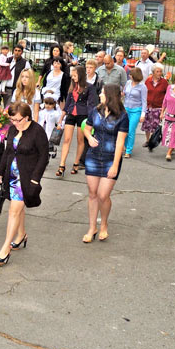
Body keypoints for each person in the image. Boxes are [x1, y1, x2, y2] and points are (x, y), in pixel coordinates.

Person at [0, 102, 49, 264]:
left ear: (27, 117)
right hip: (11, 176)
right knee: (17, 207)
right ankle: (21, 234)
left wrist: (35, 179)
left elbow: (43, 157)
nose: (15, 123)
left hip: (26, 178)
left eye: (18, 120)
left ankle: (5, 249)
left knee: (13, 211)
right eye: (12, 120)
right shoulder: (12, 129)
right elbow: (7, 152)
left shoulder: (37, 131)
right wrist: (0, 172)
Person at [81, 84, 129, 243]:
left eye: (102, 93)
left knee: (103, 195)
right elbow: (86, 128)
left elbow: (120, 143)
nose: (100, 95)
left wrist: (115, 165)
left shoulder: (122, 116)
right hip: (93, 156)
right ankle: (92, 228)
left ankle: (104, 225)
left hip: (111, 158)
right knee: (92, 193)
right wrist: (89, 137)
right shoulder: (95, 111)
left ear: (110, 96)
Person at [56, 66, 96, 176]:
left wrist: (91, 120)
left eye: (75, 76)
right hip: (71, 114)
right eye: (72, 76)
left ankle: (76, 163)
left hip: (83, 115)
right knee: (66, 139)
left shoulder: (90, 87)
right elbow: (67, 103)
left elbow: (92, 105)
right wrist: (61, 118)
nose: (73, 78)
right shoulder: (72, 86)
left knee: (80, 140)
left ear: (81, 75)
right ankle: (62, 165)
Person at [122, 68, 147, 158]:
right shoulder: (128, 83)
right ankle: (125, 146)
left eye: (131, 74)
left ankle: (128, 150)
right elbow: (124, 93)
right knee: (124, 129)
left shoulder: (142, 87)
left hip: (136, 110)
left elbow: (144, 101)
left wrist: (143, 114)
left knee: (131, 130)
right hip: (126, 109)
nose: (129, 75)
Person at [142, 65, 169, 148]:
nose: (159, 73)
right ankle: (147, 140)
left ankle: (153, 140)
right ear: (153, 72)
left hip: (158, 106)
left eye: (160, 71)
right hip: (148, 106)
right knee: (147, 125)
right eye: (157, 71)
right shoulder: (148, 80)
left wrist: (165, 109)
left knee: (155, 125)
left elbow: (167, 95)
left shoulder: (164, 82)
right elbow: (144, 92)